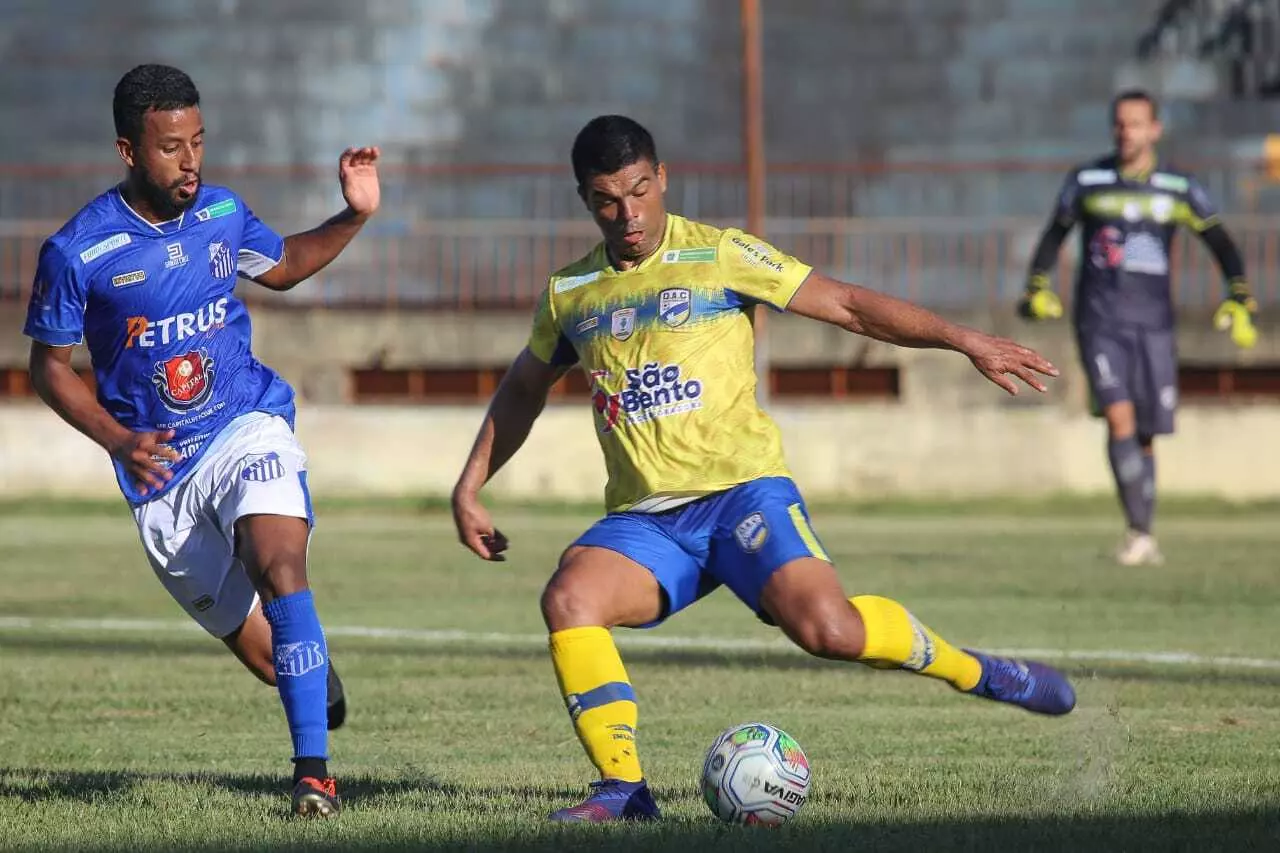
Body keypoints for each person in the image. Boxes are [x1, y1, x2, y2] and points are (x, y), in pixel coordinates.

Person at [451, 115, 1077, 824]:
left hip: (742, 493)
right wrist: (470, 486)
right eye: (606, 199)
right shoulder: (572, 291)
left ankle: (979, 670)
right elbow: (524, 388)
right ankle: (624, 791)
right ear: (583, 200)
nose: (628, 214)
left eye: (639, 190)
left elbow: (845, 303)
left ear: (662, 179)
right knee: (569, 599)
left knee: (830, 632)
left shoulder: (721, 254)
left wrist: (963, 340)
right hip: (648, 519)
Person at [23, 64, 380, 817]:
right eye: (170, 147)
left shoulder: (221, 212)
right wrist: (118, 438)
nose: (190, 162)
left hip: (245, 422)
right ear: (128, 150)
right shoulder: (77, 251)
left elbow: (281, 266)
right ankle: (308, 674)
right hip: (159, 475)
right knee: (264, 651)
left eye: (198, 142)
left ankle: (313, 772)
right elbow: (48, 368)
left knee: (280, 562)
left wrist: (352, 216)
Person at [1019, 89, 1256, 566]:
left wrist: (1239, 292)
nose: (1127, 132)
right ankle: (1138, 534)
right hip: (1101, 321)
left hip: (1155, 326)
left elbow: (1220, 242)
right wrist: (1037, 286)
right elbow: (1054, 234)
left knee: (1145, 433)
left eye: (1136, 123)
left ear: (1155, 130)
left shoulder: (1179, 188)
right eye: (1120, 123)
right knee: (1120, 417)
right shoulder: (1088, 181)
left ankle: (1142, 531)